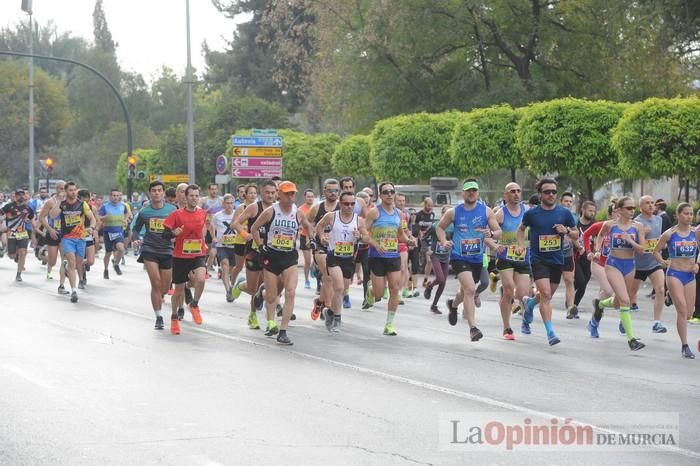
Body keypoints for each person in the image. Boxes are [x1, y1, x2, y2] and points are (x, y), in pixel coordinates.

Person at [250, 181, 314, 345]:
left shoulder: (298, 213)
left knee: (290, 292)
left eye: (293, 193)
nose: (290, 196)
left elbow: (308, 226)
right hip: (271, 255)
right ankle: (265, 304)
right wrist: (260, 246)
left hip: (289, 257)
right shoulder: (270, 211)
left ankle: (283, 331)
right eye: (287, 193)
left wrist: (314, 240)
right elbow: (254, 228)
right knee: (272, 296)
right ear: (279, 194)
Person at [437, 179, 501, 341]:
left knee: (465, 291)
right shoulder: (454, 212)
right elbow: (439, 227)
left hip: (478, 258)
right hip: (459, 256)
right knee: (471, 289)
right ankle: (473, 328)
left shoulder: (486, 211)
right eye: (468, 190)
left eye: (474, 190)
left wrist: (491, 235)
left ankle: (453, 305)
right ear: (463, 193)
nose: (471, 193)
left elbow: (498, 231)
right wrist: (444, 241)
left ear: (478, 192)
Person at [517, 178, 578, 346]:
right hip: (538, 259)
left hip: (557, 259)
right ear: (540, 194)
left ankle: (529, 303)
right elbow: (521, 230)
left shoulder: (564, 213)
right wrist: (522, 246)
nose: (551, 195)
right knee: (545, 294)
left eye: (553, 192)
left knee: (546, 295)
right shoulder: (532, 213)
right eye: (547, 192)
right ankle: (550, 332)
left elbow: (576, 234)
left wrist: (565, 230)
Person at [593, 197, 647, 351]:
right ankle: (631, 339)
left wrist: (630, 241)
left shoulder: (638, 227)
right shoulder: (610, 225)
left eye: (633, 208)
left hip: (630, 265)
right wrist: (598, 250)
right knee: (625, 300)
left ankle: (600, 304)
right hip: (613, 264)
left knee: (618, 302)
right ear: (619, 210)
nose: (632, 211)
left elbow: (642, 250)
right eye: (629, 208)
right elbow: (601, 235)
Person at [315, 190, 369, 332]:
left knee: (342, 290)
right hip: (333, 257)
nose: (349, 206)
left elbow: (366, 237)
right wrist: (322, 237)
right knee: (338, 287)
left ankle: (330, 312)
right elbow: (318, 227)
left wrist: (360, 236)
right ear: (340, 203)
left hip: (349, 259)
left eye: (352, 204)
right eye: (346, 204)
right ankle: (337, 320)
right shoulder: (331, 217)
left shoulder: (359, 220)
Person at [365, 182, 415, 335]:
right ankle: (372, 291)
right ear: (380, 195)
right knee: (380, 294)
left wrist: (408, 240)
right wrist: (374, 243)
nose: (389, 194)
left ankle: (389, 324)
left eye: (391, 191)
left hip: (394, 255)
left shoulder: (399, 214)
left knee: (394, 289)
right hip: (377, 256)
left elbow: (400, 233)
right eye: (385, 192)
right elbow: (364, 233)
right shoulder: (374, 212)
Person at [653, 203, 698, 359]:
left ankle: (670, 296)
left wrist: (697, 263)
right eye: (686, 213)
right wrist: (663, 262)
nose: (689, 216)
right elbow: (656, 251)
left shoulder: (696, 233)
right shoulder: (670, 234)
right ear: (678, 215)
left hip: (690, 276)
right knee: (682, 310)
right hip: (674, 274)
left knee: (690, 313)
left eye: (691, 214)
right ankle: (685, 346)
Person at [231, 180, 278, 330]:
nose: (270, 195)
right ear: (261, 193)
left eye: (273, 192)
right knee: (253, 288)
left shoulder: (279, 209)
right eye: (267, 192)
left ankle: (262, 318)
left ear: (276, 193)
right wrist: (245, 234)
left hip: (271, 252)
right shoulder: (254, 207)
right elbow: (236, 224)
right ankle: (240, 286)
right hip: (253, 251)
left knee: (267, 286)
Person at [131, 181, 177, 330]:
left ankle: (161, 296)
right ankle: (159, 317)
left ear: (163, 193)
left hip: (167, 250)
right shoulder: (145, 212)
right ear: (150, 193)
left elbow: (178, 228)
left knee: (164, 287)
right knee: (155, 283)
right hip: (150, 249)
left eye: (159, 190)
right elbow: (135, 230)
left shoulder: (173, 210)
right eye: (154, 191)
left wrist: (176, 234)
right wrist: (136, 239)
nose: (157, 193)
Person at [162, 184, 208, 335]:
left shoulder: (202, 213)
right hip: (180, 256)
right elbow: (164, 235)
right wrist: (174, 233)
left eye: (196, 195)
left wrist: (204, 242)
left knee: (201, 279)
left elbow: (202, 229)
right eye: (191, 196)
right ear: (185, 197)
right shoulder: (177, 214)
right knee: (179, 291)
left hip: (197, 253)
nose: (194, 198)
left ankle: (194, 304)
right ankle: (174, 316)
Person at [493, 182, 530, 340]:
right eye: (512, 191)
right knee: (509, 290)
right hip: (505, 257)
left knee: (522, 294)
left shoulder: (527, 211)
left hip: (523, 256)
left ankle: (509, 296)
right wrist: (495, 244)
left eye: (518, 191)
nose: (516, 194)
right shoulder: (500, 214)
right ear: (505, 195)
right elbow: (489, 233)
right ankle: (507, 327)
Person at [50, 181, 97, 303]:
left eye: (74, 190)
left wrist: (91, 228)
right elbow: (52, 215)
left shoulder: (82, 205)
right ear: (66, 191)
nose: (73, 192)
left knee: (78, 264)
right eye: (70, 190)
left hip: (81, 238)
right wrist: (59, 202)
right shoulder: (63, 204)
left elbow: (92, 218)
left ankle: (67, 269)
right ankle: (74, 291)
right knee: (72, 262)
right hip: (67, 238)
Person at [630, 195, 668, 333]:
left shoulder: (659, 219)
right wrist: (640, 235)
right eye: (647, 203)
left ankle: (657, 323)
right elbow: (630, 242)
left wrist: (661, 245)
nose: (651, 205)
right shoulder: (636, 222)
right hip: (637, 264)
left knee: (660, 289)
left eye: (652, 203)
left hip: (654, 263)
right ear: (641, 207)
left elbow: (660, 240)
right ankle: (624, 318)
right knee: (631, 293)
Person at [306, 179, 341, 320]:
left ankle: (319, 301)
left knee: (336, 281)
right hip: (321, 247)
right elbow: (306, 223)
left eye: (336, 191)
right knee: (328, 277)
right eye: (330, 190)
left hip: (338, 247)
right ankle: (329, 307)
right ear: (324, 191)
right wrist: (312, 237)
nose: (333, 193)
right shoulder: (316, 208)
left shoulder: (343, 207)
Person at [1, 189, 35, 282]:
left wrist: (35, 234)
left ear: (24, 196)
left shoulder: (28, 208)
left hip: (22, 233)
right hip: (11, 233)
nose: (20, 196)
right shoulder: (8, 206)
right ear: (15, 196)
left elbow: (32, 220)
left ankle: (18, 274)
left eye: (22, 194)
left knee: (23, 253)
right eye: (18, 195)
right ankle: (15, 256)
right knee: (11, 256)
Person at [424, 206, 451, 314]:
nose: (446, 215)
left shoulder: (453, 227)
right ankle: (430, 286)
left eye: (448, 213)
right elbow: (424, 238)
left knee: (443, 283)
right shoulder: (435, 225)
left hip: (446, 256)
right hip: (435, 255)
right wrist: (427, 249)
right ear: (441, 214)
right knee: (440, 278)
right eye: (444, 213)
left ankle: (434, 305)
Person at [99, 189, 130, 279]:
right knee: (108, 253)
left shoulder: (123, 206)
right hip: (107, 232)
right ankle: (105, 270)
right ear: (110, 196)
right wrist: (106, 217)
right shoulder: (105, 206)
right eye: (114, 195)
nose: (116, 197)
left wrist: (126, 219)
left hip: (118, 231)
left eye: (117, 195)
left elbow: (128, 213)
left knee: (121, 249)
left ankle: (116, 264)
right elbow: (98, 217)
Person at [573, 201, 596, 312]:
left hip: (589, 259)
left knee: (583, 285)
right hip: (576, 257)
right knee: (580, 282)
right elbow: (571, 237)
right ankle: (571, 304)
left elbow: (598, 239)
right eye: (590, 210)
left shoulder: (594, 225)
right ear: (583, 210)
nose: (592, 213)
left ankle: (574, 305)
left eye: (593, 211)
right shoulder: (576, 223)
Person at [559, 192, 578, 319]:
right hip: (552, 254)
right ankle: (533, 302)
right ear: (561, 202)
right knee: (548, 286)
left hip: (567, 253)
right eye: (566, 201)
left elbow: (575, 234)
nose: (568, 204)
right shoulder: (554, 214)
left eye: (570, 202)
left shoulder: (573, 217)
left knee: (569, 280)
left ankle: (570, 307)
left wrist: (578, 245)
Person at [201, 183, 223, 273]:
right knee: (207, 249)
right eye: (212, 189)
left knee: (214, 250)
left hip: (217, 229)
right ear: (209, 190)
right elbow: (198, 211)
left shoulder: (221, 200)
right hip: (206, 227)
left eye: (215, 189)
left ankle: (208, 267)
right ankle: (204, 266)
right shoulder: (204, 200)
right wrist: (206, 211)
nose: (214, 191)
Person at [298, 189, 316, 289]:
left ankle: (315, 268)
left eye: (312, 196)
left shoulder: (317, 208)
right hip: (304, 236)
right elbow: (300, 223)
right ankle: (306, 280)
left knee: (318, 259)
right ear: (305, 198)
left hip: (315, 236)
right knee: (307, 261)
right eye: (308, 196)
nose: (310, 198)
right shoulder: (301, 209)